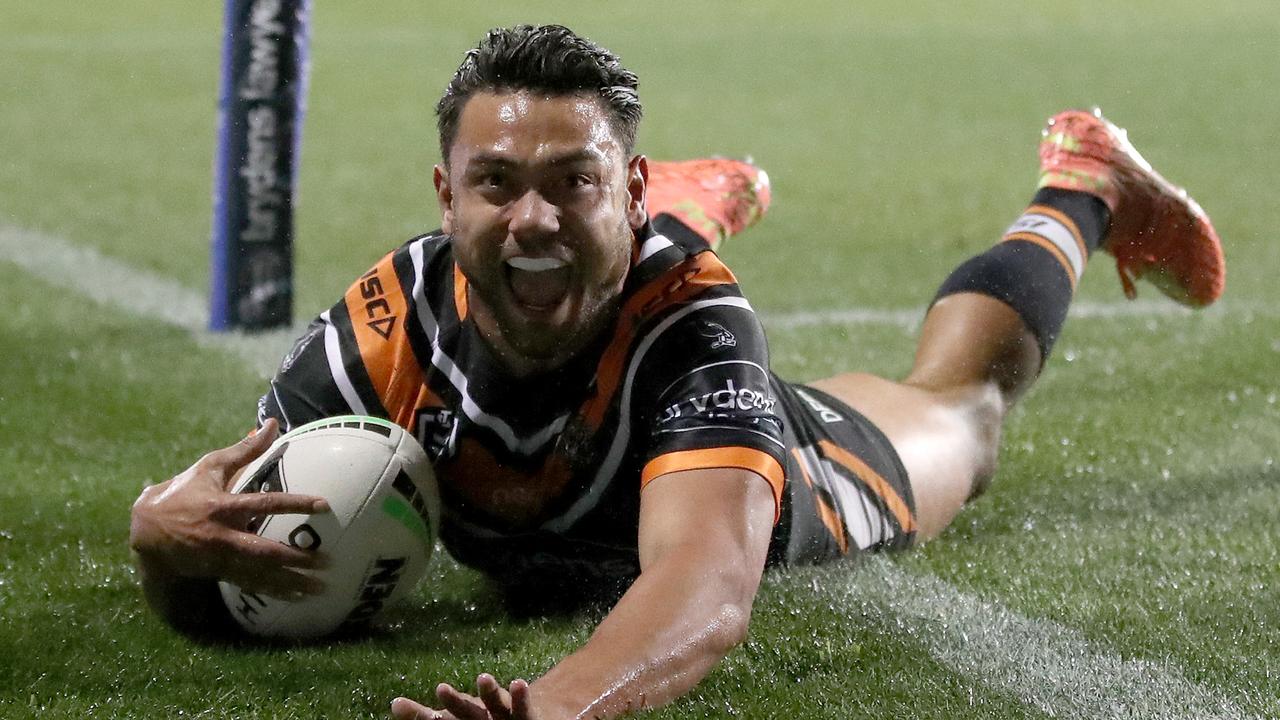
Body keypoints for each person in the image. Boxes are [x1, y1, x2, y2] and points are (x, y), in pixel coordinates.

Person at [128, 24, 1225, 720]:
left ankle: (1082, 183)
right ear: (444, 194)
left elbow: (701, 591)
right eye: (496, 182)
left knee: (963, 417)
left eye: (573, 179)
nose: (527, 212)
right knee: (554, 264)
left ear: (628, 184)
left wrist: (554, 708)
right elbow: (221, 549)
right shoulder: (383, 323)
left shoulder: (696, 327)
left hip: (781, 467)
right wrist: (162, 549)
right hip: (619, 334)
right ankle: (675, 209)